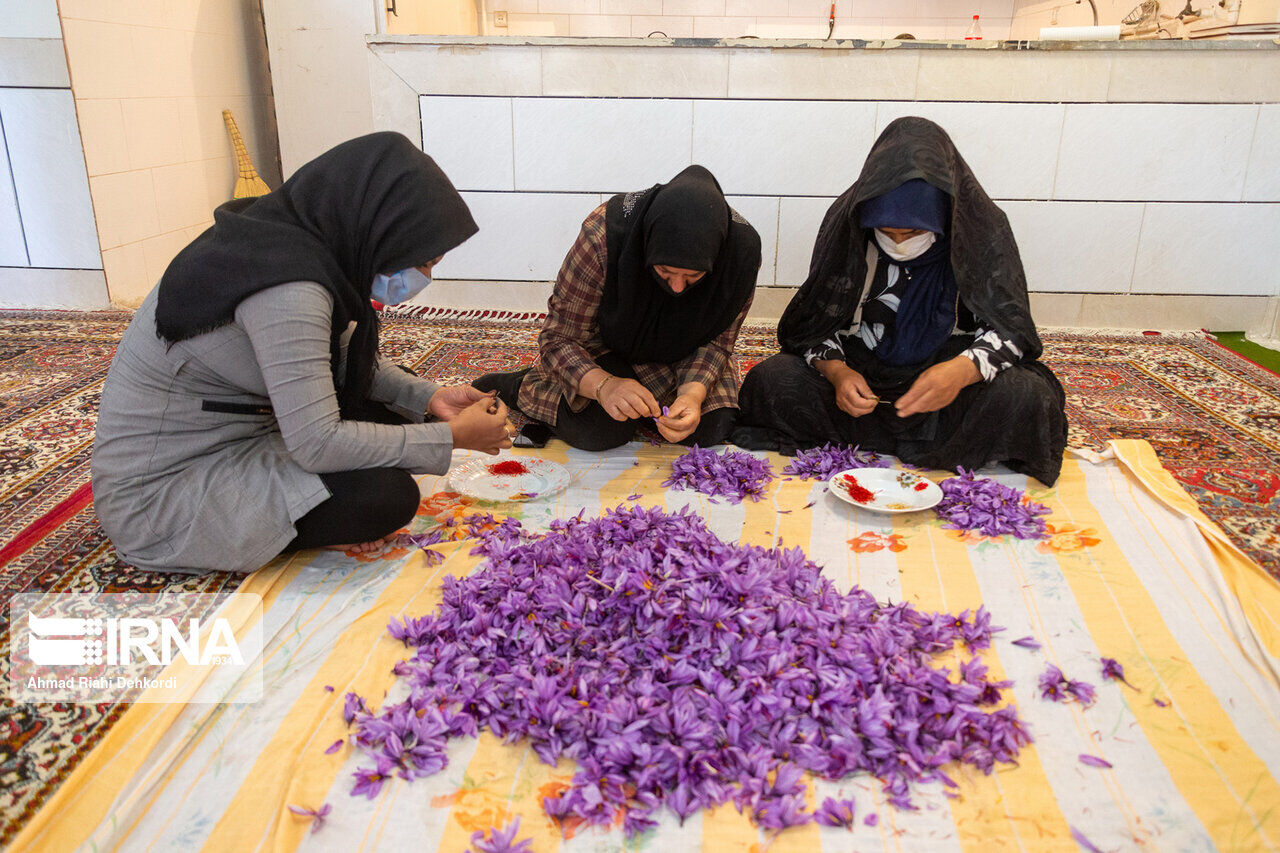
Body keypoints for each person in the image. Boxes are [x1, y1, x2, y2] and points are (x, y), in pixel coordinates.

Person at [91, 132, 512, 574]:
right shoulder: (289, 287)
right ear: (377, 229)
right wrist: (452, 438)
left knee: (401, 413)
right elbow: (317, 443)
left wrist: (430, 398)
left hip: (250, 429)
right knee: (386, 496)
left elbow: (345, 360)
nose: (422, 277)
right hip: (165, 494)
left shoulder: (300, 241)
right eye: (422, 263)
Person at [733, 117, 1068, 485]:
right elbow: (815, 324)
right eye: (886, 232)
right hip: (863, 372)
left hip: (947, 378)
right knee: (771, 381)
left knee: (1028, 397)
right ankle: (916, 441)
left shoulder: (979, 229)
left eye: (914, 232)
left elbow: (1012, 332)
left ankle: (885, 437)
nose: (899, 242)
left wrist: (962, 371)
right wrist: (838, 372)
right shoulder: (848, 224)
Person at [473, 165, 761, 451]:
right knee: (601, 430)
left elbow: (718, 342)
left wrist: (691, 395)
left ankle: (647, 405)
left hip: (685, 350)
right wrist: (605, 386)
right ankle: (521, 385)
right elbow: (558, 338)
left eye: (693, 277)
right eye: (664, 271)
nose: (676, 288)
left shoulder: (741, 254)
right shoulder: (604, 236)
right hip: (606, 342)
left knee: (710, 426)